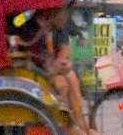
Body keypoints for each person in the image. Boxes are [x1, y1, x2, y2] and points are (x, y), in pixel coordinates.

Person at [12, 7, 100, 135]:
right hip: (31, 69)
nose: (66, 17)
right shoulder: (31, 27)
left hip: (43, 67)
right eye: (64, 13)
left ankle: (80, 126)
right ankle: (69, 127)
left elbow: (63, 49)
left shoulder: (55, 29)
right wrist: (54, 66)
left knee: (70, 77)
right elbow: (31, 53)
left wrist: (60, 63)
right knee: (64, 84)